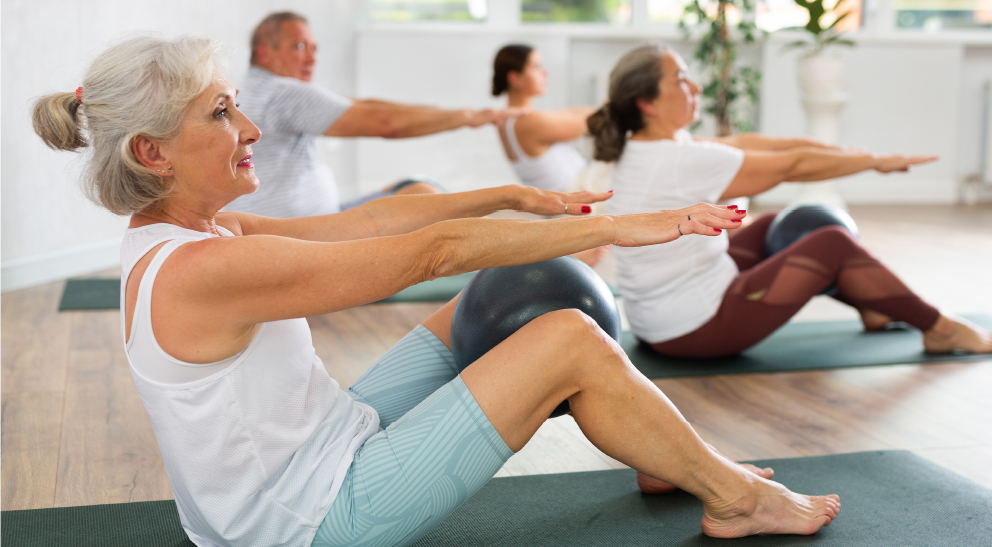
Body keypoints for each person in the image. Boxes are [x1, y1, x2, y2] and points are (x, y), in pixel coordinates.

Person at [33, 35, 841, 547]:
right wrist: (624, 226)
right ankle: (734, 497)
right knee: (567, 339)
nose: (251, 130)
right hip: (305, 522)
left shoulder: (188, 237)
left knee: (478, 301)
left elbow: (377, 220)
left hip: (316, 451)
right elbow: (427, 253)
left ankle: (667, 458)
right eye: (221, 113)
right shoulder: (205, 272)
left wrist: (511, 195)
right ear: (154, 151)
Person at [587, 43, 992, 364]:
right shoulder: (679, 160)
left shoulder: (649, 147)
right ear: (647, 102)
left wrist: (849, 152)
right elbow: (791, 165)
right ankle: (939, 328)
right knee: (831, 243)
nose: (695, 88)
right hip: (695, 327)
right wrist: (874, 163)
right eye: (681, 80)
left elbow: (751, 144)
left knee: (771, 225)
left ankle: (874, 306)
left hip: (659, 320)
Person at [226, 12, 515, 218]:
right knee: (425, 194)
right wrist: (466, 118)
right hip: (304, 231)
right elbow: (386, 124)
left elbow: (366, 105)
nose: (312, 59)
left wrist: (461, 113)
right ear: (265, 53)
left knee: (406, 186)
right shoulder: (284, 93)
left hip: (310, 218)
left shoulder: (256, 89)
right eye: (299, 47)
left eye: (314, 49)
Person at [491, 44, 610, 265]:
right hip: (580, 197)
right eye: (536, 67)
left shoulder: (509, 119)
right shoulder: (528, 122)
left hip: (572, 196)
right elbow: (592, 120)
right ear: (515, 78)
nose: (545, 73)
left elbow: (569, 114)